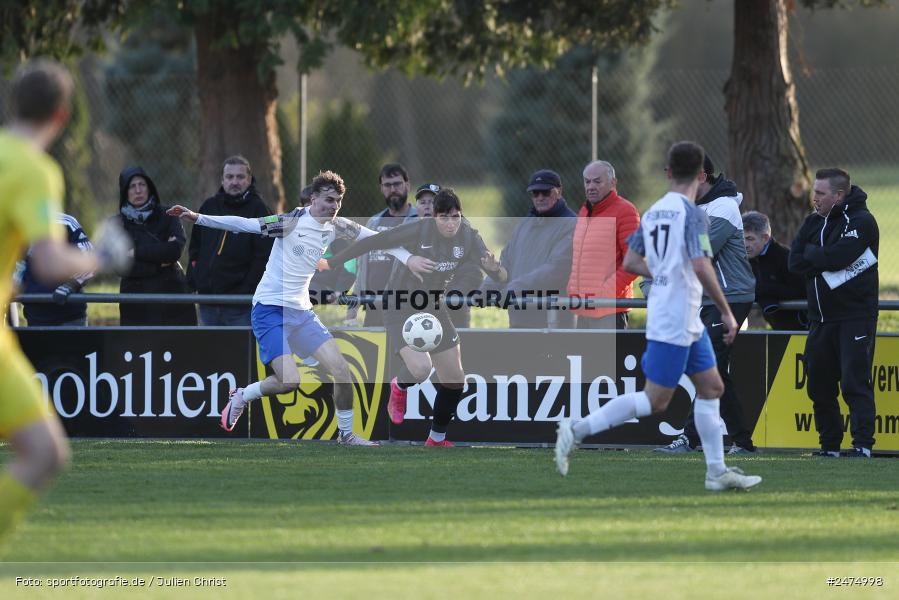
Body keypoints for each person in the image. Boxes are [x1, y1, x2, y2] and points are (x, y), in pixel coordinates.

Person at [555, 141, 762, 491]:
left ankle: (716, 472)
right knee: (655, 400)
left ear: (668, 173)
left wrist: (663, 273)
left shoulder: (653, 212)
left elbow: (633, 262)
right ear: (700, 174)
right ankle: (576, 430)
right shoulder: (695, 214)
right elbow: (701, 265)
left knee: (711, 386)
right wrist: (727, 312)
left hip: (682, 315)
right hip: (676, 317)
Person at [168, 170, 412, 445]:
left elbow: (377, 238)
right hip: (269, 310)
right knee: (289, 382)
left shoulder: (337, 226)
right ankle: (242, 395)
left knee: (343, 372)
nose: (333, 207)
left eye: (338, 201)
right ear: (313, 199)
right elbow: (244, 224)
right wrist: (198, 217)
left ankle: (347, 435)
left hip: (302, 313)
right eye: (329, 200)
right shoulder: (290, 222)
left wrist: (409, 258)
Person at [0, 60, 131, 543]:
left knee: (44, 452)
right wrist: (101, 256)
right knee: (45, 455)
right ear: (63, 115)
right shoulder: (34, 167)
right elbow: (52, 263)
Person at [323, 188, 505, 445]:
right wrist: (332, 263)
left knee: (455, 380)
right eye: (445, 217)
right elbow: (373, 242)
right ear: (434, 217)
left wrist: (495, 272)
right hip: (399, 305)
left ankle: (436, 438)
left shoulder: (469, 236)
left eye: (456, 216)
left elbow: (500, 275)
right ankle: (399, 386)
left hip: (432, 306)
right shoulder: (419, 230)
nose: (451, 223)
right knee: (421, 369)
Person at [654, 155, 758, 455]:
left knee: (707, 367)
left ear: (701, 176)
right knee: (712, 371)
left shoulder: (723, 208)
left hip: (731, 298)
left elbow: (694, 253)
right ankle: (741, 440)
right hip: (704, 300)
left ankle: (691, 438)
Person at [788, 168, 879, 458]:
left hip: (854, 317)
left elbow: (839, 258)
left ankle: (862, 445)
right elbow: (794, 262)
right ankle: (829, 446)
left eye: (820, 193)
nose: (814, 198)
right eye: (814, 192)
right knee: (818, 385)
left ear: (838, 196)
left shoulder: (862, 222)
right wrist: (822, 258)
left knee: (854, 382)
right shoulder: (814, 222)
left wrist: (816, 255)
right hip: (820, 320)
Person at [483, 169, 576, 328]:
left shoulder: (572, 224)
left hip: (553, 319)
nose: (540, 197)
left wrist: (516, 287)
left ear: (558, 192)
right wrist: (486, 288)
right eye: (535, 193)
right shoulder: (524, 224)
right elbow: (506, 261)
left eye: (545, 192)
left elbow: (558, 269)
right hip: (519, 316)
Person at [188, 155, 273, 326]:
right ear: (222, 180)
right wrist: (195, 280)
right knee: (210, 351)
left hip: (240, 304)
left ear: (249, 179)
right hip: (208, 302)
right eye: (229, 177)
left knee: (239, 351)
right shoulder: (209, 207)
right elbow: (195, 248)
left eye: (240, 177)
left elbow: (264, 256)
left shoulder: (260, 210)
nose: (235, 182)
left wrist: (245, 290)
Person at [116, 166, 197, 326]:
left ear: (150, 187)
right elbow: (119, 265)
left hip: (173, 301)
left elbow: (174, 251)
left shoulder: (169, 214)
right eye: (132, 186)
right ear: (125, 191)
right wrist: (160, 261)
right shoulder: (117, 224)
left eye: (142, 184)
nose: (138, 190)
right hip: (135, 304)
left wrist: (135, 253)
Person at [568, 160, 640, 329]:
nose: (591, 186)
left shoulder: (626, 211)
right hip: (583, 308)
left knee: (607, 357)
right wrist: (573, 290)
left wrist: (604, 294)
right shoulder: (584, 211)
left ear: (613, 182)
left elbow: (634, 263)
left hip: (610, 311)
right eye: (587, 181)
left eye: (597, 181)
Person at [345, 164, 417, 327]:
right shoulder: (373, 222)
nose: (393, 189)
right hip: (373, 306)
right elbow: (362, 267)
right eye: (387, 185)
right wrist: (353, 307)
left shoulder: (418, 221)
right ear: (381, 188)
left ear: (407, 185)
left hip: (404, 308)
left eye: (397, 184)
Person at [414, 182, 482, 329]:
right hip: (417, 309)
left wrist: (451, 297)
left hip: (453, 310)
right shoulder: (410, 231)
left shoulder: (463, 234)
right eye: (422, 202)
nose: (427, 206)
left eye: (432, 202)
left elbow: (473, 272)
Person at [16, 213, 93, 326]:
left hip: (70, 318)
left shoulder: (67, 222)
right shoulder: (18, 228)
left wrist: (71, 285)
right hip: (34, 318)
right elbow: (15, 268)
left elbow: (89, 258)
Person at [742, 211, 807, 330]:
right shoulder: (745, 259)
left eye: (750, 239)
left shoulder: (786, 258)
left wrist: (765, 290)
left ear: (765, 238)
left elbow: (803, 290)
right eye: (742, 239)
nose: (745, 244)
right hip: (777, 327)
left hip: (801, 327)